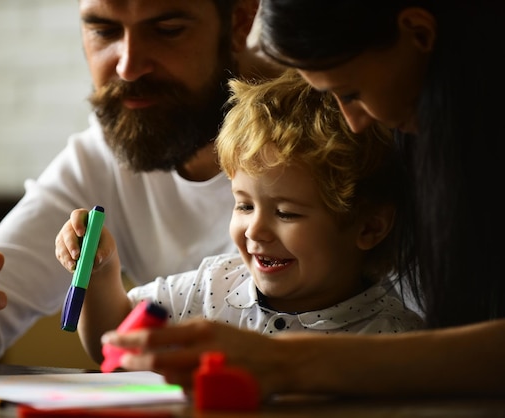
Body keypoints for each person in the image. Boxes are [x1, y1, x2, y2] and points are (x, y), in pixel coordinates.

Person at [99, 0, 505, 398]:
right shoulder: (214, 285)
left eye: (350, 91)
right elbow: (113, 335)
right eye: (243, 204)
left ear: (418, 33)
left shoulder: (391, 321)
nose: (356, 121)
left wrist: (287, 363)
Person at [0, 0, 284, 368]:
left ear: (238, 20)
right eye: (105, 31)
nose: (128, 67)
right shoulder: (109, 152)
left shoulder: (333, 123)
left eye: (166, 29)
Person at [55, 69, 423, 364]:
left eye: (286, 213)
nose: (256, 230)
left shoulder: (396, 342)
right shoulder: (211, 286)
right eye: (244, 206)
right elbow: (118, 344)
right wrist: (102, 272)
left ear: (370, 226)